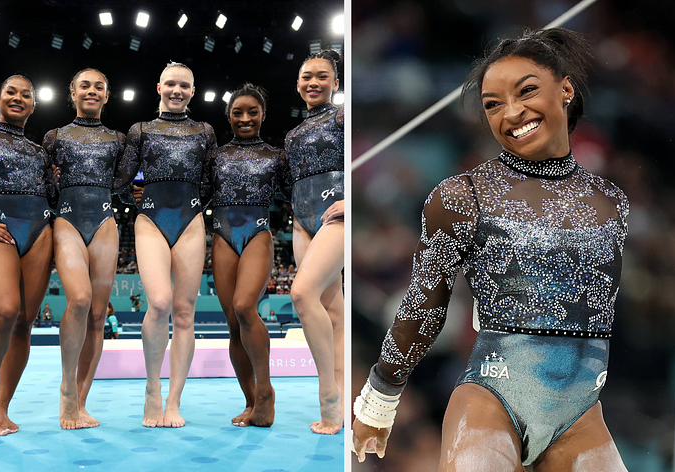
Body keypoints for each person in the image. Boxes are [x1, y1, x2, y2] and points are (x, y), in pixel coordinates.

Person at [352, 28, 630, 471]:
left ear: (566, 89)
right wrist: (378, 401)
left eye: (527, 91)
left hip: (582, 416)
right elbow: (423, 307)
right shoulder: (463, 196)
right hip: (491, 402)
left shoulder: (611, 201)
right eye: (493, 104)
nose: (512, 112)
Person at [114, 62, 216, 428]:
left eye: (184, 86)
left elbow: (211, 181)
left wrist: (198, 208)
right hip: (150, 220)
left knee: (185, 313)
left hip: (190, 222)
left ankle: (174, 400)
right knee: (159, 302)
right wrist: (134, 196)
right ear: (158, 87)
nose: (177, 90)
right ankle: (152, 389)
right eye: (170, 84)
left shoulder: (204, 131)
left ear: (192, 90)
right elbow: (120, 180)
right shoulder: (140, 130)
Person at [41, 68, 125, 430]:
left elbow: (125, 182)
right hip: (68, 220)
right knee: (78, 299)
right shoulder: (54, 137)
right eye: (85, 86)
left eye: (99, 87)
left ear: (107, 96)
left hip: (105, 223)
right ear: (71, 93)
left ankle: (81, 397)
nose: (92, 91)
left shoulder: (120, 139)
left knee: (97, 314)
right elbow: (40, 184)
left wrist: (136, 191)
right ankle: (65, 388)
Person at [210, 83, 284, 427]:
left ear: (263, 115)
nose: (244, 118)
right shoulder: (217, 156)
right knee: (231, 323)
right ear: (229, 116)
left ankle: (266, 391)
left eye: (252, 112)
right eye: (237, 112)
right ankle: (251, 401)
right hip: (223, 235)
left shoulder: (275, 155)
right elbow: (192, 189)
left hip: (257, 232)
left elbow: (297, 191)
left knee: (244, 307)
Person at [284, 49, 344, 434]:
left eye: (322, 76)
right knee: (331, 309)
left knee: (302, 294)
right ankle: (340, 398)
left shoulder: (343, 116)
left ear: (336, 83)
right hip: (303, 221)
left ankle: (329, 398)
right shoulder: (292, 134)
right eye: (307, 77)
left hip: (335, 214)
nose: (313, 83)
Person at [0, 75, 55, 436]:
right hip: (0, 228)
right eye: (11, 92)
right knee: (3, 311)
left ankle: (1, 408)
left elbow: (52, 194)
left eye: (25, 95)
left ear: (33, 105)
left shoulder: (39, 152)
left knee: (23, 324)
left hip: (39, 232)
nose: (18, 98)